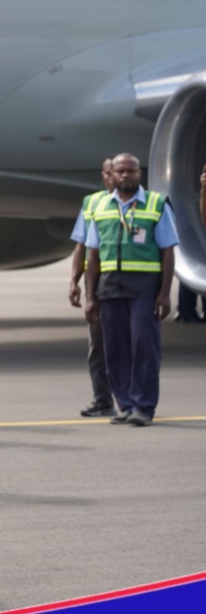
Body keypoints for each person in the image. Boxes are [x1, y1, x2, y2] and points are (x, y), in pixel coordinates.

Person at [84, 153, 179, 427]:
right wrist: (90, 296)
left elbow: (168, 251)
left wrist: (164, 293)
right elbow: (93, 254)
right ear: (111, 175)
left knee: (144, 346)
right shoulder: (100, 206)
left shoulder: (156, 204)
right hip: (109, 288)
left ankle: (144, 406)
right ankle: (125, 404)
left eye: (131, 171)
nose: (126, 175)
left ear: (140, 174)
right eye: (120, 171)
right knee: (115, 349)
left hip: (144, 289)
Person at [69, 157, 117, 416]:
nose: (113, 177)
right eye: (109, 172)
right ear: (103, 175)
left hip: (128, 283)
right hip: (96, 284)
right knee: (97, 345)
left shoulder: (144, 203)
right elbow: (81, 245)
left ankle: (133, 399)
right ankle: (102, 399)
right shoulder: (92, 203)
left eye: (117, 172)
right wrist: (74, 281)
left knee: (126, 343)